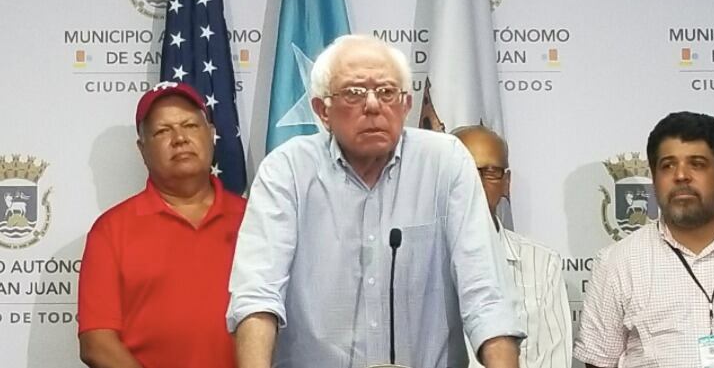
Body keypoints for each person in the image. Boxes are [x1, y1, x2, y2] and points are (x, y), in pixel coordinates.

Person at [227, 35, 525, 368]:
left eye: (386, 92)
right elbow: (257, 296)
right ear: (323, 111)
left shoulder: (446, 161)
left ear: (406, 105)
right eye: (354, 93)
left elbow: (487, 295)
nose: (372, 105)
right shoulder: (287, 170)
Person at [77, 82, 245, 368]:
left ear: (211, 134)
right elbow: (97, 343)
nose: (179, 138)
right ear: (142, 150)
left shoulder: (255, 219)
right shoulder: (111, 230)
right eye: (162, 131)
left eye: (190, 125)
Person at [574, 111, 714, 367]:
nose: (681, 176)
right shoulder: (618, 263)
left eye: (697, 164)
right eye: (668, 165)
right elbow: (598, 361)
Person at [452, 125, 572, 368]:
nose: (476, 182)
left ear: (506, 182)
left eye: (490, 172)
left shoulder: (541, 264)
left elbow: (554, 360)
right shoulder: (413, 261)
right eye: (464, 170)